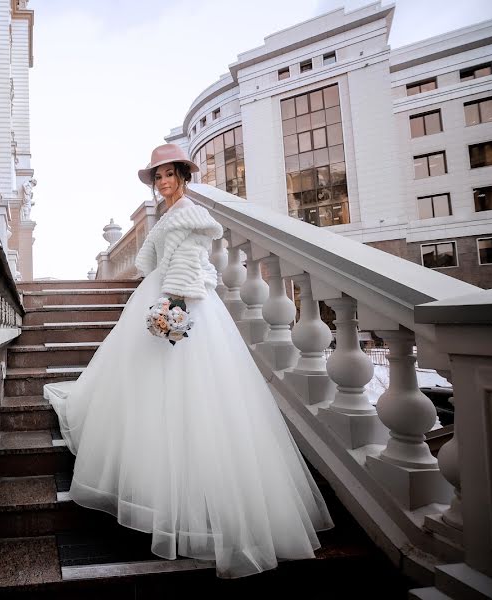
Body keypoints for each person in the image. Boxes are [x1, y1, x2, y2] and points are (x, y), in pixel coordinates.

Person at [43, 143, 333, 579]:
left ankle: (190, 506)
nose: (162, 182)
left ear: (182, 176)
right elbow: (196, 264)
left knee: (189, 394)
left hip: (176, 300)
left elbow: (188, 263)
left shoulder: (189, 214)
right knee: (154, 391)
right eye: (156, 176)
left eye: (168, 175)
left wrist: (171, 305)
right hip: (171, 294)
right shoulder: (172, 214)